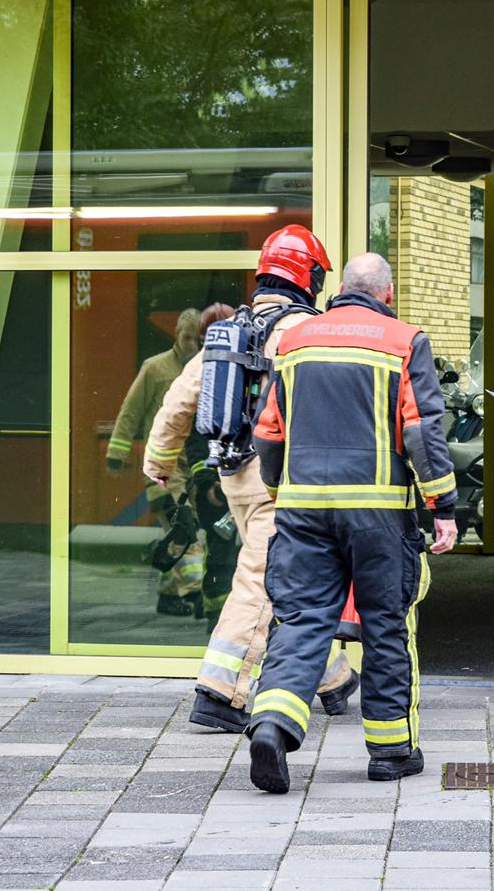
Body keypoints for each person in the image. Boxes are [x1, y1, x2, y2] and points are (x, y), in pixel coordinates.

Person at [245, 253, 458, 793]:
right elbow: (422, 433)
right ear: (387, 295)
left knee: (302, 619)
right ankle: (391, 751)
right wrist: (443, 507)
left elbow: (268, 433)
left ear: (340, 289)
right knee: (385, 623)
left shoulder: (295, 341)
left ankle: (272, 722)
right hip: (378, 513)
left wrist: (278, 490)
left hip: (303, 509)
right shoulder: (404, 340)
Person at [143, 228, 358, 732]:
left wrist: (158, 459)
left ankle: (331, 676)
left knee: (293, 580)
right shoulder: (307, 331)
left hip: (235, 475)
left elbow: (179, 398)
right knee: (262, 582)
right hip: (280, 480)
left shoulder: (232, 331)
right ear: (311, 276)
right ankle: (222, 690)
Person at [108, 308, 205, 615]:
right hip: (164, 467)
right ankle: (194, 591)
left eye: (196, 338)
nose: (191, 344)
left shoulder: (205, 368)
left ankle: (169, 596)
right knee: (184, 530)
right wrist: (116, 453)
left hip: (194, 465)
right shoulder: (155, 368)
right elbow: (131, 411)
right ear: (176, 334)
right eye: (186, 337)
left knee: (179, 531)